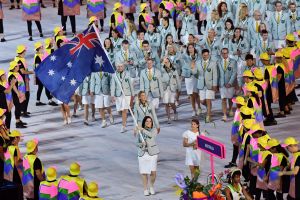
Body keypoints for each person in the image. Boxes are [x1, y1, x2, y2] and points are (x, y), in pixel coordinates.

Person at [136, 116, 159, 196]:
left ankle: (151, 186)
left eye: (150, 121)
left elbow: (151, 136)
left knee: (153, 172)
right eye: (147, 121)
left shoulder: (154, 130)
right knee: (144, 172)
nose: (149, 123)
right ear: (144, 122)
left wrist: (142, 130)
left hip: (152, 153)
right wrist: (142, 144)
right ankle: (145, 189)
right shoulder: (140, 132)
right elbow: (137, 143)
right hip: (142, 154)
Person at [195, 49, 218, 123]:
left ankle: (208, 116)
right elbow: (195, 74)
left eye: (207, 55)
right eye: (204, 55)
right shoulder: (198, 63)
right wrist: (192, 69)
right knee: (202, 101)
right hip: (201, 84)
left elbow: (215, 75)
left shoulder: (213, 63)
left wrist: (215, 85)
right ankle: (209, 108)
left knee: (208, 100)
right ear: (202, 55)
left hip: (210, 85)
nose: (206, 56)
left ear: (209, 55)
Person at [111, 63, 134, 133]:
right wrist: (112, 95)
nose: (119, 68)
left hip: (127, 94)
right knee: (119, 111)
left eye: (121, 66)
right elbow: (113, 85)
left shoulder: (127, 74)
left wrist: (132, 95)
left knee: (124, 110)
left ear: (123, 67)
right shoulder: (114, 75)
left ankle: (123, 125)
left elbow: (130, 84)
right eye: (118, 66)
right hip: (118, 95)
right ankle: (124, 118)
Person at [225, 96, 246, 168]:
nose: (235, 104)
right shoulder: (238, 109)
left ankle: (241, 163)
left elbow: (241, 123)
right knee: (235, 147)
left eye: (236, 103)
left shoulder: (243, 111)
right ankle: (234, 161)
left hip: (238, 132)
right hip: (235, 131)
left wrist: (238, 133)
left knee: (239, 147)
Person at [182, 44, 201, 117]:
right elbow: (184, 65)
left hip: (196, 77)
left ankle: (199, 107)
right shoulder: (186, 57)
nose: (190, 49)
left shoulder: (198, 57)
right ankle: (194, 109)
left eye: (192, 47)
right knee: (191, 94)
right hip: (189, 77)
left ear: (194, 48)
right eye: (189, 48)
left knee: (196, 94)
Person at [15, 45, 34, 118]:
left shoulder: (21, 58)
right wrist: (32, 72)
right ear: (22, 52)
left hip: (24, 80)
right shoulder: (19, 61)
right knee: (24, 95)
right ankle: (22, 111)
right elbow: (22, 71)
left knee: (26, 94)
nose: (26, 51)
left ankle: (24, 110)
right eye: (25, 50)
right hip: (21, 81)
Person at [218, 48, 237, 121]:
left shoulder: (233, 62)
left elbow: (234, 73)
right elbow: (218, 74)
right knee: (223, 99)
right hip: (222, 84)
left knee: (230, 98)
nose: (224, 54)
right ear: (221, 53)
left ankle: (231, 109)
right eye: (223, 53)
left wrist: (230, 83)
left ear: (228, 53)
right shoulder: (218, 62)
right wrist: (217, 84)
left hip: (230, 84)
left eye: (225, 53)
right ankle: (224, 115)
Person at [4, 130, 23, 200]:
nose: (20, 139)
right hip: (14, 173)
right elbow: (16, 163)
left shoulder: (7, 147)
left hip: (7, 172)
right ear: (15, 138)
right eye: (19, 138)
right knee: (18, 191)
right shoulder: (14, 149)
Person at [161, 57, 181, 123]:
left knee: (172, 103)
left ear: (170, 62)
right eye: (165, 62)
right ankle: (168, 118)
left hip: (172, 88)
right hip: (165, 88)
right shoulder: (161, 70)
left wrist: (179, 88)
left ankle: (175, 112)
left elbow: (177, 79)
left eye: (167, 62)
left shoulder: (174, 70)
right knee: (166, 103)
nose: (166, 63)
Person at [8, 61, 27, 128]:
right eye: (17, 66)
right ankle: (17, 122)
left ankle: (18, 120)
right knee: (18, 107)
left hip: (18, 93)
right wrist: (18, 93)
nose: (19, 66)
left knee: (18, 107)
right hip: (14, 94)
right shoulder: (12, 76)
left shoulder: (16, 73)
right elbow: (13, 86)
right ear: (14, 68)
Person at [0, 108, 10, 181]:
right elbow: (4, 135)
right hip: (2, 144)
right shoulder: (0, 123)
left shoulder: (1, 122)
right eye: (3, 113)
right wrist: (12, 138)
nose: (4, 114)